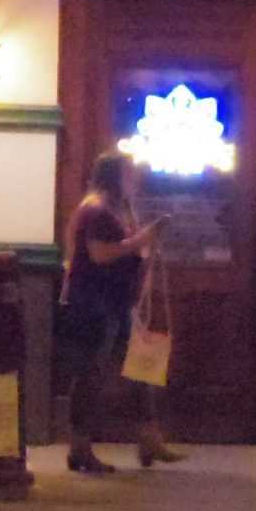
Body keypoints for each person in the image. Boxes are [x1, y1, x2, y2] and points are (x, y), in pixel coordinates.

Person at [58, 149, 176, 474]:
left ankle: (147, 438)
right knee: (91, 376)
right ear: (114, 177)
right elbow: (99, 255)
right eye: (128, 174)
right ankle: (81, 447)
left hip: (112, 303)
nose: (133, 180)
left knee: (137, 369)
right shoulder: (97, 211)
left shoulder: (115, 210)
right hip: (94, 304)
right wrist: (142, 239)